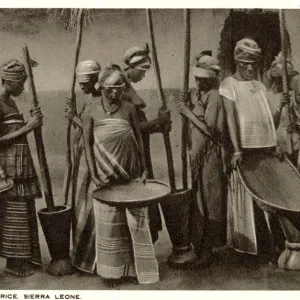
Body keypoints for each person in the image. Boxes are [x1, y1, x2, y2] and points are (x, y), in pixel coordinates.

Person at [82, 64, 159, 287]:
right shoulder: (90, 111)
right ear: (102, 88)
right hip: (105, 174)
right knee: (110, 223)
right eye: (111, 89)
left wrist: (144, 169)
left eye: (119, 87)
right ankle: (112, 274)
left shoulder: (129, 109)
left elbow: (138, 139)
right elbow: (87, 146)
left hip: (130, 171)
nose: (115, 92)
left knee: (136, 222)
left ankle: (137, 270)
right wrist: (95, 174)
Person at [219, 38, 287, 260]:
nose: (249, 69)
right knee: (247, 197)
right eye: (244, 65)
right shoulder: (228, 85)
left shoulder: (259, 86)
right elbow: (231, 118)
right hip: (244, 150)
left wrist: (274, 144)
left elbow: (265, 118)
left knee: (266, 195)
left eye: (253, 65)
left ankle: (271, 247)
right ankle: (247, 248)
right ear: (237, 63)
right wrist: (237, 150)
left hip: (263, 148)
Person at [178, 53, 228, 266]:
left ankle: (208, 252)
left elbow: (212, 131)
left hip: (210, 157)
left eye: (202, 79)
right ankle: (199, 249)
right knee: (199, 202)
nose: (198, 82)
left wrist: (188, 113)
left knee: (210, 203)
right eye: (197, 78)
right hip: (198, 157)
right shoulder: (199, 95)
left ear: (211, 79)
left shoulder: (215, 97)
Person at [122, 45, 171, 243]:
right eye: (142, 71)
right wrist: (157, 122)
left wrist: (159, 127)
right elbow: (130, 129)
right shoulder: (122, 93)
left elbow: (141, 126)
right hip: (133, 152)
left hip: (143, 149)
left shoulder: (129, 89)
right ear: (132, 68)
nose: (143, 76)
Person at [0, 59, 44, 276]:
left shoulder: (11, 102)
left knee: (24, 212)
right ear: (8, 81)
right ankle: (13, 264)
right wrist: (28, 126)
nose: (23, 88)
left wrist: (30, 122)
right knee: (13, 215)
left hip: (20, 166)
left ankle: (25, 259)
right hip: (9, 169)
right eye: (20, 84)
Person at [64, 60, 101, 273]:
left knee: (90, 207)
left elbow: (94, 132)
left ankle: (90, 259)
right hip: (82, 161)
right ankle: (80, 256)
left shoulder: (98, 102)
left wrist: (74, 118)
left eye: (85, 82)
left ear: (95, 80)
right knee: (81, 206)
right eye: (80, 82)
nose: (81, 86)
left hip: (91, 160)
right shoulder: (90, 100)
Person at [264, 52, 300, 169]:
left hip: (295, 144)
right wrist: (280, 106)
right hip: (278, 147)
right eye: (280, 79)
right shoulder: (267, 96)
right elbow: (268, 124)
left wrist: (296, 126)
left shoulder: (292, 95)